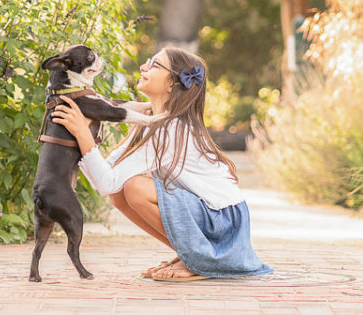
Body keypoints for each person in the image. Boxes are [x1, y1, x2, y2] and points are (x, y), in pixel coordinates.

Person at [51, 47, 272, 281]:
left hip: (224, 221)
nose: (143, 68)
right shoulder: (152, 122)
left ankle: (202, 259)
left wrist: (82, 133)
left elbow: (106, 182)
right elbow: (108, 181)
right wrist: (85, 133)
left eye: (155, 65)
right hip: (211, 214)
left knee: (135, 187)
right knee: (120, 193)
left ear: (170, 84)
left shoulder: (171, 129)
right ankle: (190, 255)